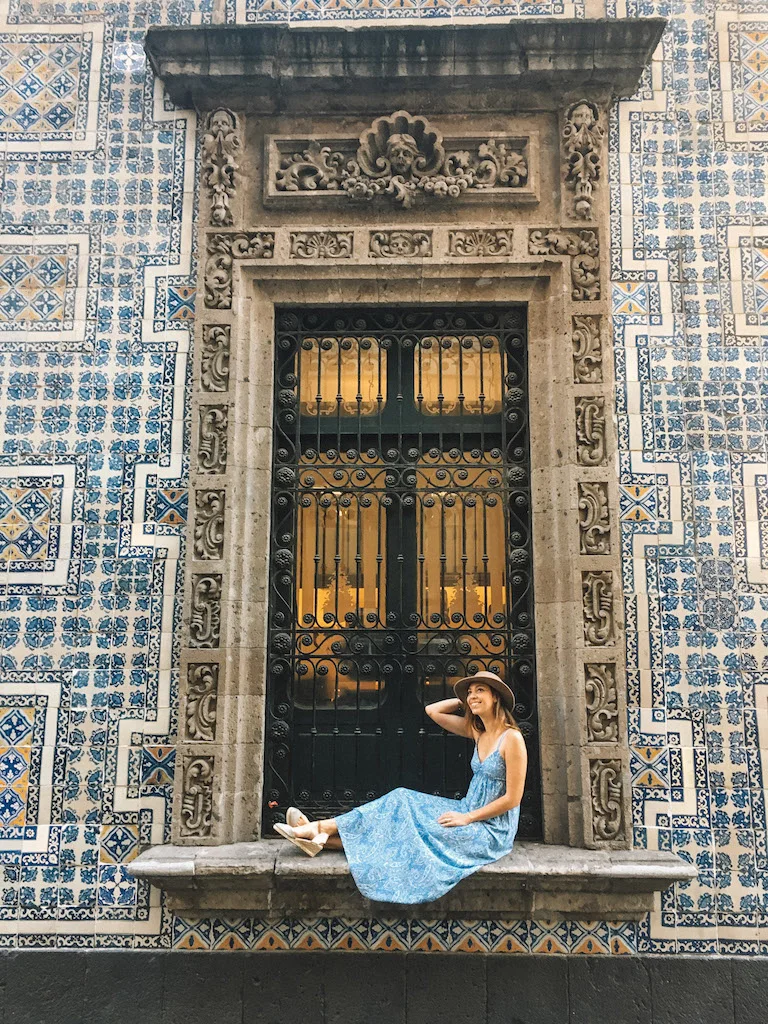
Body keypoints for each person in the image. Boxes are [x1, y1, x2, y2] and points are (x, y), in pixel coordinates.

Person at [273, 670, 527, 904]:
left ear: (496, 697)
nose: (473, 695)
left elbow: (512, 799)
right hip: (466, 811)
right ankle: (322, 834)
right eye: (470, 691)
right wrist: (464, 701)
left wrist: (467, 818)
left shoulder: (512, 738)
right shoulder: (479, 731)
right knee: (401, 799)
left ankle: (318, 831)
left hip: (490, 831)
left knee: (422, 830)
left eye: (480, 690)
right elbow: (433, 711)